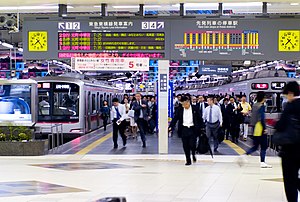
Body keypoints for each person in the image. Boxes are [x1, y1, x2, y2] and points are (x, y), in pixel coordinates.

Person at [275, 81, 300, 202]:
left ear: (290, 93)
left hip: (289, 151)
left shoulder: (290, 107)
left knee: (290, 180)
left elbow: (280, 126)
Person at [239, 91, 272, 168]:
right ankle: (262, 162)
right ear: (263, 98)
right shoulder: (261, 106)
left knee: (255, 146)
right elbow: (262, 118)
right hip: (260, 128)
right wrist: (264, 128)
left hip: (255, 128)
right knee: (264, 146)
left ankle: (244, 155)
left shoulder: (254, 105)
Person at [169, 96, 202, 166]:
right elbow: (175, 118)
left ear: (188, 102)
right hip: (184, 129)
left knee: (192, 144)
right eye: (182, 104)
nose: (184, 106)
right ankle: (188, 159)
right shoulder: (180, 109)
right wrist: (171, 126)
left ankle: (193, 153)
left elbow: (199, 118)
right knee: (185, 145)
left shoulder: (195, 108)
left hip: (193, 129)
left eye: (185, 104)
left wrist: (202, 127)